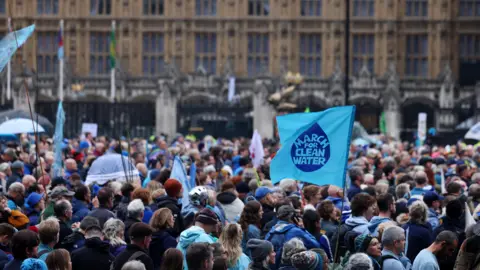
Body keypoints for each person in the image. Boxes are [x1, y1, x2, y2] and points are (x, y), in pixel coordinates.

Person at [332, 193, 376, 259]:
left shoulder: (345, 223)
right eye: (371, 206)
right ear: (364, 209)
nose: (373, 209)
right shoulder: (367, 229)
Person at [432, 199, 466, 269]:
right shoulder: (462, 234)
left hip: (437, 264)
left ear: (446, 211)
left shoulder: (437, 230)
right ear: (460, 214)